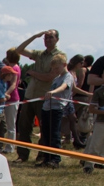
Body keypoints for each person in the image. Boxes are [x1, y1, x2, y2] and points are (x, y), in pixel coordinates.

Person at [14, 29, 63, 163]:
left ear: (57, 39)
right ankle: (22, 155)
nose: (47, 40)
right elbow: (19, 50)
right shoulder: (39, 54)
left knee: (44, 128)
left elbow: (50, 77)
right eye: (45, 38)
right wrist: (35, 36)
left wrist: (32, 73)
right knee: (24, 126)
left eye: (51, 38)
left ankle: (42, 155)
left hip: (44, 96)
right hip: (30, 94)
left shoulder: (59, 56)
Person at [39, 54, 73, 169]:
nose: (55, 71)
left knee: (54, 134)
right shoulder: (56, 78)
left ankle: (55, 159)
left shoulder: (68, 76)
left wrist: (53, 92)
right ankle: (46, 158)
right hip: (47, 108)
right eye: (53, 69)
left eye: (57, 68)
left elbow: (64, 87)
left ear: (64, 65)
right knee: (46, 134)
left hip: (56, 108)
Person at [0, 48, 21, 153]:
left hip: (12, 99)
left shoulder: (15, 68)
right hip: (7, 99)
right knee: (7, 124)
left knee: (11, 124)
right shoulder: (10, 67)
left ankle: (10, 147)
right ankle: (6, 145)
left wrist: (6, 93)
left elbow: (13, 84)